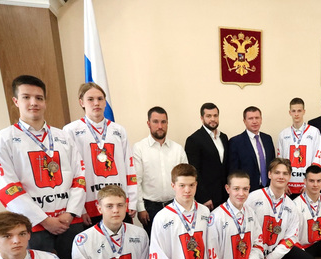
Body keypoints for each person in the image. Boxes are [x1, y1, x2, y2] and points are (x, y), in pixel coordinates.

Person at [0, 75, 86, 259]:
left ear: (45, 101)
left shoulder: (63, 137)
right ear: (16, 101)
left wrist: (70, 213)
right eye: (26, 97)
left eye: (39, 98)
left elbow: (79, 178)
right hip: (32, 226)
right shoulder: (3, 139)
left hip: (69, 222)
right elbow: (8, 188)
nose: (33, 102)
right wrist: (44, 220)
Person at [246, 158, 316, 259]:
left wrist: (271, 258)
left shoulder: (291, 205)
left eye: (285, 173)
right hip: (253, 252)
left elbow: (291, 238)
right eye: (277, 172)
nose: (281, 176)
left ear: (289, 177)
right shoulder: (253, 198)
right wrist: (255, 256)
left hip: (275, 250)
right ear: (269, 174)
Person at [63, 82, 137, 227]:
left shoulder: (118, 130)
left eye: (100, 99)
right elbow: (70, 172)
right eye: (90, 99)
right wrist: (79, 208)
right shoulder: (70, 131)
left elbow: (129, 166)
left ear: (105, 102)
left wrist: (132, 200)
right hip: (89, 205)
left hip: (118, 202)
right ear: (81, 102)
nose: (96, 103)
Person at [133, 106, 188, 238]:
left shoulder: (177, 149)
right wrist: (141, 208)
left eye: (163, 122)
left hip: (176, 205)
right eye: (155, 122)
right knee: (155, 244)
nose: (160, 126)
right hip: (150, 208)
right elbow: (136, 181)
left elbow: (186, 179)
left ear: (167, 123)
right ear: (148, 123)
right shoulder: (139, 148)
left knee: (177, 242)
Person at [184, 103, 229, 211]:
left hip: (225, 195)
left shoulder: (223, 137)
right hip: (208, 198)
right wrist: (203, 197)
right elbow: (194, 171)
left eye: (215, 115)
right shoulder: (193, 140)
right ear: (202, 118)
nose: (212, 119)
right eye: (208, 116)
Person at [277, 98, 321, 197]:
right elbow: (280, 162)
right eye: (293, 111)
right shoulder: (283, 134)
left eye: (299, 111)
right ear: (290, 112)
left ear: (304, 112)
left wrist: (309, 184)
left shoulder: (314, 132)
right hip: (288, 186)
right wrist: (283, 184)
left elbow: (317, 159)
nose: (296, 114)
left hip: (306, 185)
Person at [229, 106, 275, 191]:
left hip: (268, 188)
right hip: (247, 190)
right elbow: (234, 171)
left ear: (261, 119)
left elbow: (273, 164)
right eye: (250, 118)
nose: (254, 121)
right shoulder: (236, 142)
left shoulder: (267, 139)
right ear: (244, 121)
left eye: (257, 118)